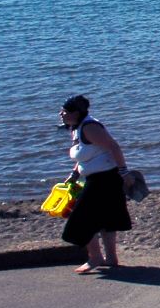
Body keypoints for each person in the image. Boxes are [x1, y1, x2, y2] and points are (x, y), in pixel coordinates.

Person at [58, 95, 135, 273]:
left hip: (106, 179)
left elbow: (114, 147)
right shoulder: (75, 128)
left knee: (79, 219)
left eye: (65, 111)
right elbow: (85, 155)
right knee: (105, 219)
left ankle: (95, 258)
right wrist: (74, 174)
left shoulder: (90, 127)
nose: (61, 114)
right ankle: (111, 259)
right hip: (95, 178)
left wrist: (124, 173)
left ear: (76, 113)